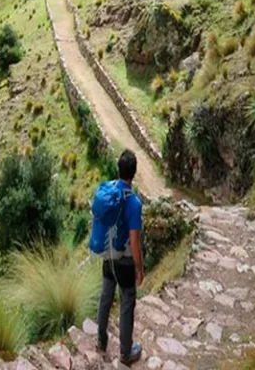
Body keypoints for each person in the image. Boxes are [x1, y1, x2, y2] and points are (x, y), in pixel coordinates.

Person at [96, 149, 144, 366]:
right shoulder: (133, 203)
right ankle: (126, 353)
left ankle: (101, 341)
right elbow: (134, 241)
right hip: (124, 261)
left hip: (107, 257)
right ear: (133, 173)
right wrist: (139, 268)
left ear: (118, 169)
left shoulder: (107, 192)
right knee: (126, 303)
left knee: (105, 298)